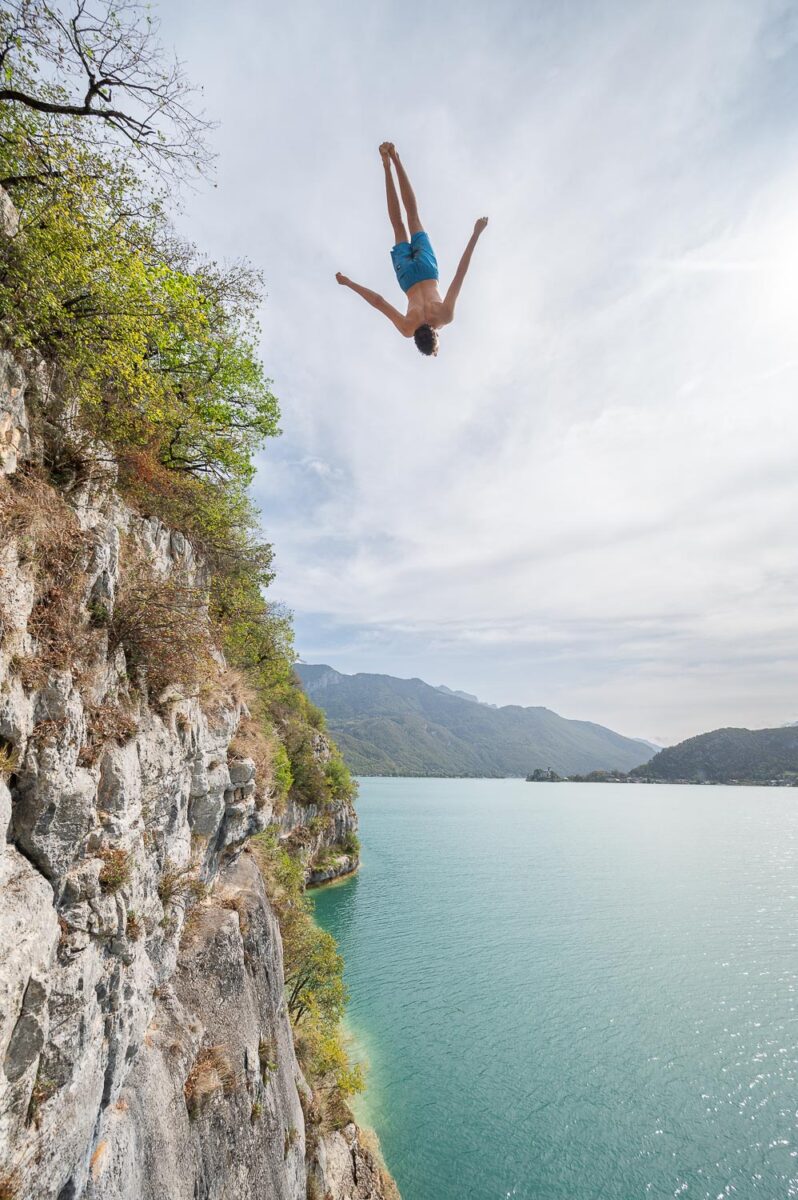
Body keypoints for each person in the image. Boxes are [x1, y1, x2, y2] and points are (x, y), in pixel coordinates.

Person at [336, 142, 488, 357]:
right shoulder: (408, 327)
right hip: (407, 278)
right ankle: (387, 166)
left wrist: (476, 234)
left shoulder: (444, 315)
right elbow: (378, 302)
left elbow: (460, 274)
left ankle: (396, 158)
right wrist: (349, 283)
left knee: (413, 217)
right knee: (398, 225)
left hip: (427, 272)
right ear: (417, 341)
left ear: (435, 336)